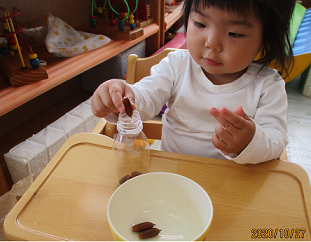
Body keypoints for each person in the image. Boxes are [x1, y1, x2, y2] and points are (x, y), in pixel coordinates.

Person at [91, 0, 296, 164]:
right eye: (200, 24)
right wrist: (122, 98)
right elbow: (146, 95)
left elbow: (276, 140)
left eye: (235, 33)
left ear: (265, 39)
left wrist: (250, 142)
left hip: (233, 185)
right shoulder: (176, 65)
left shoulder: (268, 85)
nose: (212, 43)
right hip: (176, 175)